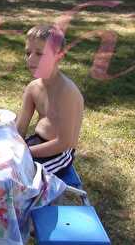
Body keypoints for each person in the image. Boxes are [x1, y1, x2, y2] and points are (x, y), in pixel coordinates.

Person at [16, 25, 84, 177]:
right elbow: (20, 129)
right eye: (28, 53)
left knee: (21, 176)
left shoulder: (67, 92)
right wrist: (12, 145)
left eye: (39, 54)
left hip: (59, 154)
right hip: (35, 142)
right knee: (2, 163)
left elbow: (64, 143)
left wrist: (25, 152)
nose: (31, 59)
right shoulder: (33, 88)